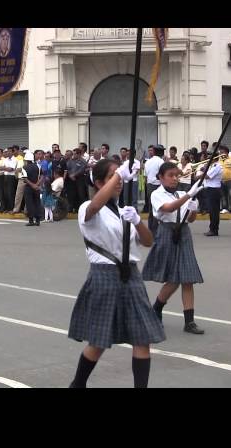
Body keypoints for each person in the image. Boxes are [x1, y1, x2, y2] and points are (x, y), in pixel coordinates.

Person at [67, 158, 164, 388]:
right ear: (99, 183)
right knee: (100, 340)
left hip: (131, 275)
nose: (118, 181)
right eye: (111, 177)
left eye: (118, 176)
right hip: (104, 275)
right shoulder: (88, 209)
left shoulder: (124, 211)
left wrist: (138, 221)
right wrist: (120, 173)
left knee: (142, 337)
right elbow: (94, 207)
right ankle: (78, 383)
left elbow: (148, 241)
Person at [142, 162, 206, 334]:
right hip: (167, 232)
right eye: (170, 175)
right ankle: (157, 308)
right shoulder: (157, 194)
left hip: (184, 233)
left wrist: (193, 208)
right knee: (173, 278)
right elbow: (168, 208)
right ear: (161, 178)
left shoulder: (183, 193)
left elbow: (190, 219)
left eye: (177, 175)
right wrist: (188, 197)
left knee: (187, 278)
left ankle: (189, 321)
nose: (174, 178)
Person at [143, 144, 165, 235]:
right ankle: (156, 231)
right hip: (158, 186)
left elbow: (145, 176)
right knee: (158, 209)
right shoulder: (161, 161)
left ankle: (150, 229)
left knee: (151, 209)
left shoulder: (148, 162)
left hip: (149, 186)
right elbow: (163, 175)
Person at [198, 159, 223, 236]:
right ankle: (212, 228)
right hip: (210, 189)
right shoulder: (212, 166)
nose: (208, 159)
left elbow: (208, 176)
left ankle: (214, 230)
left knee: (214, 211)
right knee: (212, 211)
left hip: (213, 190)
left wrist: (199, 176)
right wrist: (204, 168)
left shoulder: (216, 166)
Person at [22, 151, 41, 226]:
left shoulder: (24, 167)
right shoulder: (38, 166)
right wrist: (36, 184)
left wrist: (32, 185)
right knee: (37, 203)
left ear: (26, 159)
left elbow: (25, 179)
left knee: (29, 203)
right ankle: (38, 220)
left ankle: (31, 220)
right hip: (37, 187)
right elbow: (42, 176)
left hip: (28, 187)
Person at [218, 146, 231, 215]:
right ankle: (225, 208)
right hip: (221, 181)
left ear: (227, 152)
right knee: (223, 195)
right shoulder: (218, 160)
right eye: (220, 152)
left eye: (223, 152)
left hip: (230, 180)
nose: (221, 154)